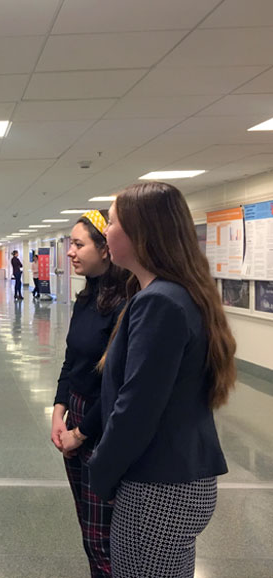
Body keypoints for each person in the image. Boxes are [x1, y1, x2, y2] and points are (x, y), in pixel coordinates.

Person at [88, 182, 237, 578]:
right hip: (180, 480)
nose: (106, 230)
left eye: (113, 221)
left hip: (157, 489)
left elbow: (136, 407)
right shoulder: (176, 294)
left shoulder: (160, 302)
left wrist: (100, 469)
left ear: (142, 233)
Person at [51, 210, 129, 577]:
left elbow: (120, 388)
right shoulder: (86, 299)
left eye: (79, 244)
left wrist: (81, 434)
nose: (70, 252)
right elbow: (72, 360)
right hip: (77, 415)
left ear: (105, 248)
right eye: (70, 244)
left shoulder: (127, 304)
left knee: (104, 535)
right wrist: (58, 410)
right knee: (88, 527)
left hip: (103, 424)